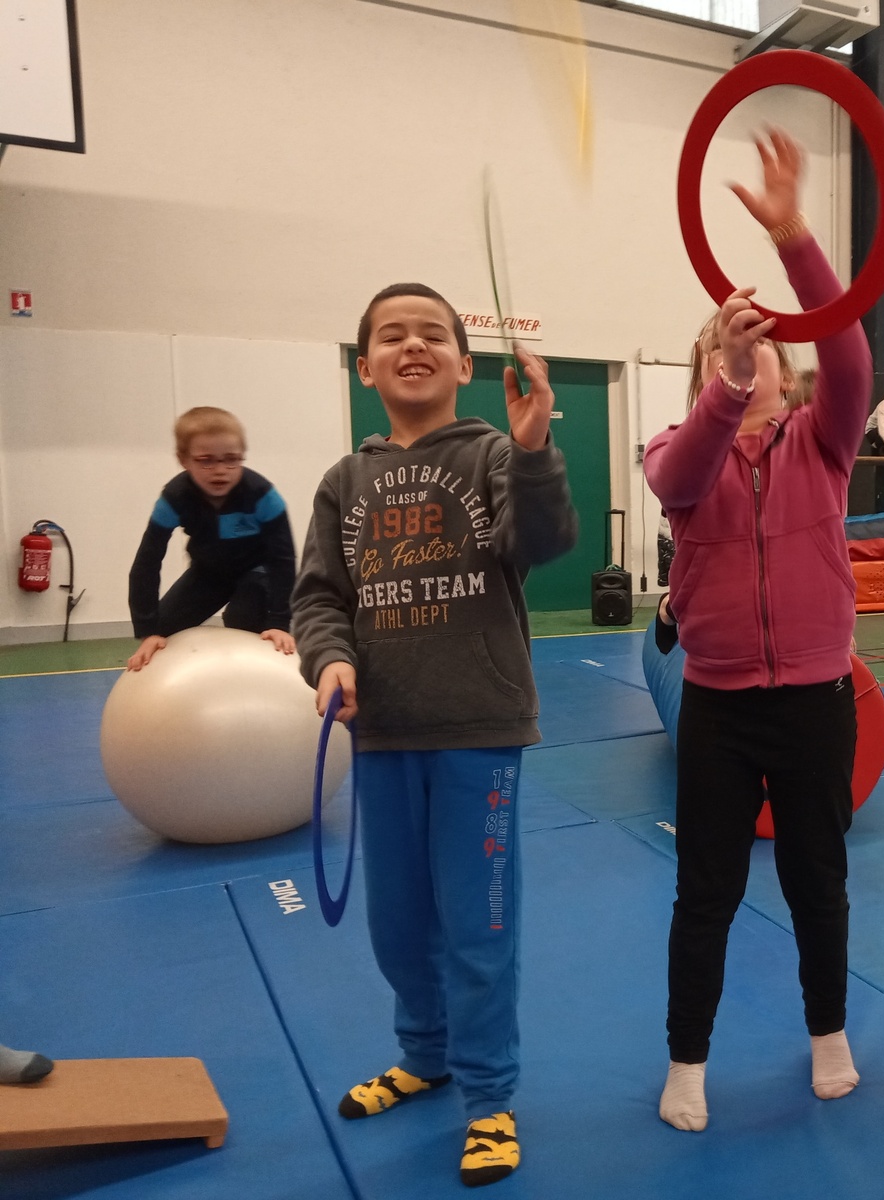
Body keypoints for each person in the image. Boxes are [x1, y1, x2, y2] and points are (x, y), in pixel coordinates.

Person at [292, 283, 577, 1188]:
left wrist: (532, 447)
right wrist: (329, 661)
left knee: (478, 926)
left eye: (431, 335)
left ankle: (489, 1096)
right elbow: (319, 598)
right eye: (391, 336)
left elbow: (543, 539)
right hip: (383, 734)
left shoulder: (494, 454)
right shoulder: (344, 482)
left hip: (478, 733)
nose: (411, 346)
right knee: (397, 923)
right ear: (365, 368)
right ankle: (425, 1053)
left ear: (463, 363)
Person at [643, 129, 870, 1133]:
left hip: (817, 698)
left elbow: (850, 353)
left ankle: (828, 1032)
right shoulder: (674, 451)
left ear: (786, 366)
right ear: (708, 374)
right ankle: (687, 1059)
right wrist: (724, 384)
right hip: (720, 707)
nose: (743, 359)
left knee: (820, 882)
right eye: (723, 352)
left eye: (760, 348)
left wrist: (793, 237)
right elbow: (682, 475)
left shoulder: (823, 441)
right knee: (707, 892)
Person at [126, 407, 297, 671]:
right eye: (206, 461)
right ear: (183, 460)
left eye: (231, 459)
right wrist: (148, 631)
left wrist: (279, 623)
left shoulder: (262, 495)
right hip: (209, 573)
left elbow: (283, 559)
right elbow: (147, 562)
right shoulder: (175, 497)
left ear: (242, 456)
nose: (220, 470)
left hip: (258, 570)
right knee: (163, 628)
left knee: (241, 620)